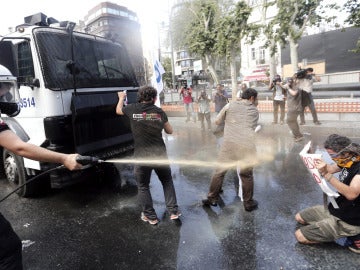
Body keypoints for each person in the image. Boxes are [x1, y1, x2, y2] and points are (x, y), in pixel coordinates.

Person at [116, 86, 180, 225]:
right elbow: (169, 131)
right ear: (154, 98)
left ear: (140, 97)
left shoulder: (132, 109)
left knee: (143, 186)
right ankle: (173, 212)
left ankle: (150, 217)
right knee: (167, 181)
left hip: (142, 156)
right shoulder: (159, 112)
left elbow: (118, 110)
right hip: (160, 155)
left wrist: (121, 98)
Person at [295, 134, 360, 253]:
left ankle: (353, 234)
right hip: (337, 208)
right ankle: (328, 227)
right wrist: (311, 156)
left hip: (350, 219)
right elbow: (330, 168)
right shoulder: (349, 158)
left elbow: (352, 194)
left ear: (345, 152)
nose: (331, 158)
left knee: (300, 236)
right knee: (299, 217)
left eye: (332, 155)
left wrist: (327, 175)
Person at [202, 88, 260, 212]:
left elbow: (217, 121)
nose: (257, 101)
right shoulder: (255, 111)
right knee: (247, 175)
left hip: (229, 146)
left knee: (219, 172)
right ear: (251, 98)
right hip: (247, 147)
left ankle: (212, 198)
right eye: (257, 98)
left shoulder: (230, 105)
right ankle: (248, 203)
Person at [284, 75, 304, 142]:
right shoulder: (293, 86)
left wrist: (288, 88)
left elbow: (294, 93)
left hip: (294, 108)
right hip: (294, 107)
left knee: (289, 121)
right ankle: (298, 134)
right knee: (293, 121)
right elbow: (293, 96)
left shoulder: (297, 86)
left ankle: (298, 136)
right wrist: (286, 98)